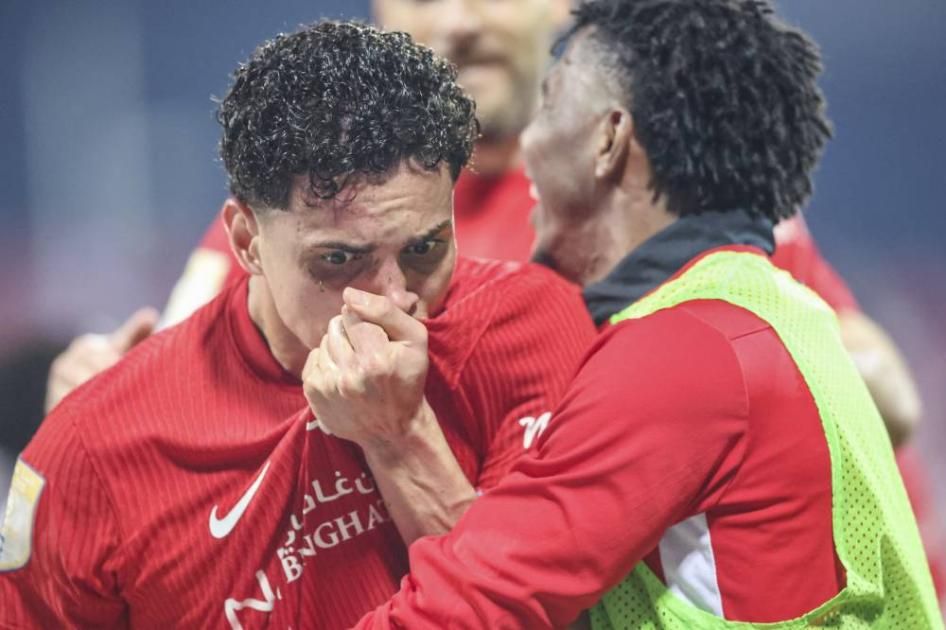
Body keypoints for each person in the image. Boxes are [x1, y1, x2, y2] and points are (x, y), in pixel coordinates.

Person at [344, 0, 942, 626]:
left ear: (608, 140)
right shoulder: (764, 304)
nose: (530, 144)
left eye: (550, 104)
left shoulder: (685, 349)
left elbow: (473, 607)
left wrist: (396, 435)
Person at [0, 21, 596, 628]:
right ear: (246, 242)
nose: (393, 300)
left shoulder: (528, 329)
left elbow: (545, 615)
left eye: (424, 249)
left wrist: (399, 437)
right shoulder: (93, 450)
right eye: (339, 259)